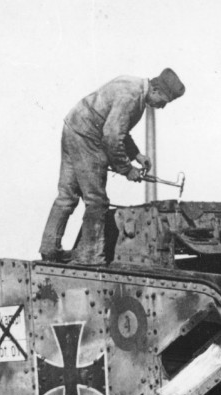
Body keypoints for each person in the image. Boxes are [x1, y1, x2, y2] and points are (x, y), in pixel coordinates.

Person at [39, 68, 186, 266]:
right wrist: (127, 169)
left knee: (67, 195)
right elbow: (111, 137)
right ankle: (89, 256)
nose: (161, 107)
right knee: (97, 201)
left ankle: (49, 250)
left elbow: (119, 129)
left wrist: (136, 155)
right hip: (87, 137)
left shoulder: (134, 86)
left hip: (73, 127)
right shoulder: (132, 98)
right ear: (156, 90)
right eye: (163, 102)